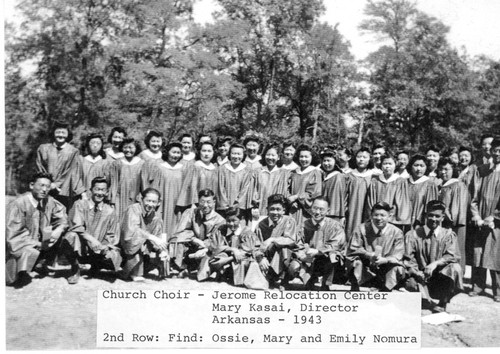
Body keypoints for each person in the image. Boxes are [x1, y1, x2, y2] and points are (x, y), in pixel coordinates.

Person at [6, 173, 69, 287]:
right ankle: (18, 274)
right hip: (19, 246)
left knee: (64, 234)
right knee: (28, 252)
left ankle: (41, 263)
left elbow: (63, 217)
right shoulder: (18, 204)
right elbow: (13, 236)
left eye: (48, 187)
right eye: (41, 185)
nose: (44, 190)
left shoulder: (49, 201)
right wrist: (39, 244)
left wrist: (59, 229)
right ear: (31, 185)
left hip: (40, 243)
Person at [403, 200, 463, 312]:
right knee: (411, 286)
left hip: (439, 277)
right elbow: (408, 258)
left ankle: (442, 302)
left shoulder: (448, 235)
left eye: (437, 216)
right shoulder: (413, 235)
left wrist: (435, 264)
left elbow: (452, 256)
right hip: (419, 276)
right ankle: (425, 299)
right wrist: (417, 272)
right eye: (430, 215)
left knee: (455, 268)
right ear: (425, 215)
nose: (433, 219)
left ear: (442, 217)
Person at [63, 177, 122, 284]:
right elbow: (76, 227)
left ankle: (96, 266)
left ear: (107, 192)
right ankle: (75, 269)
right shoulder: (80, 204)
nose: (100, 193)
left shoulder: (110, 211)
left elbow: (112, 234)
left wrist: (104, 246)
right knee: (70, 236)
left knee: (113, 255)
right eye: (97, 189)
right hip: (81, 245)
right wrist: (92, 240)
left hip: (99, 247)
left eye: (103, 190)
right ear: (91, 190)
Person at [346, 202, 405, 292]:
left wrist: (384, 260)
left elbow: (398, 254)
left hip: (385, 266)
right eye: (376, 215)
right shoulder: (361, 229)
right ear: (371, 215)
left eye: (383, 215)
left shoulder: (397, 232)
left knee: (398, 268)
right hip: (366, 266)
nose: (379, 218)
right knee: (355, 262)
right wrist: (369, 255)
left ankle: (385, 291)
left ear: (389, 217)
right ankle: (355, 291)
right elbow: (353, 248)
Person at [290, 197, 346, 290]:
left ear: (327, 211)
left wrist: (318, 251)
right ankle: (309, 280)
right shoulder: (303, 225)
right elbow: (297, 244)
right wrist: (302, 256)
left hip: (326, 258)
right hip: (308, 259)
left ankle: (326, 283)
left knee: (333, 256)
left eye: (321, 209)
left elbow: (337, 244)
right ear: (310, 208)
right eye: (315, 208)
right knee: (293, 266)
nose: (317, 212)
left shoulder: (335, 226)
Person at [470, 138, 500, 302]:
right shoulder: (483, 171)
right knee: (478, 252)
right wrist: (476, 214)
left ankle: (497, 290)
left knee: (495, 254)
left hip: (496, 222)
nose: (497, 153)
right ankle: (477, 286)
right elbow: (474, 197)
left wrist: (494, 216)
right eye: (495, 150)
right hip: (480, 219)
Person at [169, 189, 225, 274]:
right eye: (202, 202)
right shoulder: (191, 213)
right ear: (198, 201)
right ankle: (178, 266)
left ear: (214, 202)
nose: (205, 205)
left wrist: (205, 247)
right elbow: (180, 231)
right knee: (177, 239)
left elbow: (215, 241)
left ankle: (194, 268)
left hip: (206, 249)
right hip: (191, 244)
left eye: (208, 202)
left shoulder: (219, 221)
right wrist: (194, 239)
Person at [202, 207, 262, 285]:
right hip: (225, 257)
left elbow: (249, 249)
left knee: (243, 261)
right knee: (215, 257)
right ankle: (223, 272)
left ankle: (231, 275)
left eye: (234, 221)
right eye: (228, 221)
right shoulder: (221, 230)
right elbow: (216, 246)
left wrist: (231, 257)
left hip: (239, 259)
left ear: (241, 220)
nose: (231, 224)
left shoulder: (246, 232)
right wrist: (232, 249)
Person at [120, 188, 166, 281]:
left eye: (154, 202)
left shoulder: (156, 218)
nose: (150, 204)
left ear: (158, 203)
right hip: (127, 248)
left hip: (145, 251)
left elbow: (158, 237)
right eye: (148, 201)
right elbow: (132, 231)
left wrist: (162, 249)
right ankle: (133, 271)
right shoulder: (133, 209)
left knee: (162, 253)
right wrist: (151, 237)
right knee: (137, 240)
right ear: (142, 199)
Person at [36, 121, 85, 209]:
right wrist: (48, 183)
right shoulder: (43, 148)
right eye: (58, 132)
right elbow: (40, 166)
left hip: (64, 191)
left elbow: (71, 171)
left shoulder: (73, 151)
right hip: (45, 188)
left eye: (63, 133)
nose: (60, 135)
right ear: (53, 134)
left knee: (61, 217)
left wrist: (56, 184)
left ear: (68, 134)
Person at [141, 142, 185, 236]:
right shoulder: (159, 167)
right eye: (173, 152)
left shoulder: (183, 169)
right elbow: (155, 187)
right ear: (167, 152)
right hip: (162, 203)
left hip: (177, 204)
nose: (176, 155)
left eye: (178, 153)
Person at [255, 194, 298, 286]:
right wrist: (261, 258)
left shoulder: (289, 221)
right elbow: (256, 245)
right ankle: (270, 276)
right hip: (267, 257)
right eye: (272, 209)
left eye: (278, 209)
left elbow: (290, 240)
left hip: (286, 258)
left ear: (283, 210)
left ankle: (283, 280)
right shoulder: (261, 225)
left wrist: (272, 239)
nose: (275, 212)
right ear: (267, 210)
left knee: (284, 249)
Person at [437, 157, 468, 273]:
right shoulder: (442, 186)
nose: (443, 172)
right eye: (441, 169)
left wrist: (449, 221)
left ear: (453, 170)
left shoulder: (457, 185)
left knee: (455, 250)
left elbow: (456, 209)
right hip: (443, 224)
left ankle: (456, 278)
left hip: (454, 225)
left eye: (446, 169)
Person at [366, 154, 410, 230]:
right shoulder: (375, 181)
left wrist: (389, 216)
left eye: (390, 164)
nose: (387, 166)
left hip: (393, 220)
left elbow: (401, 203)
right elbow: (371, 202)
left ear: (395, 165)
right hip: (377, 219)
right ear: (381, 166)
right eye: (385, 164)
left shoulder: (401, 182)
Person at [108, 138, 145, 222]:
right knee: (118, 220)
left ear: (136, 148)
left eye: (131, 147)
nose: (128, 150)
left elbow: (144, 184)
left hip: (135, 198)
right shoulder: (117, 163)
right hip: (119, 198)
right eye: (125, 147)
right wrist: (113, 200)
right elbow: (114, 183)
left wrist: (142, 197)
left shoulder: (142, 164)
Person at [287, 144, 322, 229]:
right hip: (293, 209)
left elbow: (313, 193)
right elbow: (287, 188)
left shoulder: (315, 173)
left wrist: (296, 197)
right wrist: (290, 201)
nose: (303, 159)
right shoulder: (293, 172)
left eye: (306, 157)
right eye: (301, 156)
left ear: (312, 157)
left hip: (306, 210)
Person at [252, 143, 290, 217]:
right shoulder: (257, 172)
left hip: (277, 211)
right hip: (260, 209)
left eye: (273, 155)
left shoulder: (284, 173)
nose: (270, 157)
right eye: (268, 155)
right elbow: (253, 189)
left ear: (278, 157)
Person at [177, 141, 219, 208]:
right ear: (199, 152)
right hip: (198, 204)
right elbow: (192, 187)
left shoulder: (215, 168)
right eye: (204, 151)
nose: (206, 154)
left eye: (209, 151)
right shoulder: (195, 166)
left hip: (211, 205)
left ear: (213, 152)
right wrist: (193, 203)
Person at [345, 147, 374, 241]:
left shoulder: (374, 177)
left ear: (370, 159)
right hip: (352, 209)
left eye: (364, 157)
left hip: (368, 209)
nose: (361, 159)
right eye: (359, 156)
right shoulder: (348, 176)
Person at [216, 143, 253, 217]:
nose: (236, 156)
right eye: (233, 153)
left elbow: (245, 190)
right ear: (229, 154)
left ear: (243, 155)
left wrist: (237, 204)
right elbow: (220, 188)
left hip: (240, 209)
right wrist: (225, 205)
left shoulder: (247, 171)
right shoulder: (222, 169)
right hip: (224, 209)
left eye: (239, 154)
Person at [405, 154, 439, 228]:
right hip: (404, 221)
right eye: (416, 165)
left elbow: (431, 208)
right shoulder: (405, 183)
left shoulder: (430, 185)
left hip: (421, 223)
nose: (418, 169)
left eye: (422, 166)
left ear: (426, 168)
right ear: (411, 166)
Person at [319, 146, 347, 226]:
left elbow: (338, 199)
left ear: (335, 162)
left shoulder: (338, 176)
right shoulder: (323, 175)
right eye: (324, 161)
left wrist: (341, 216)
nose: (326, 164)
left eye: (329, 161)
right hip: (323, 212)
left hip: (334, 214)